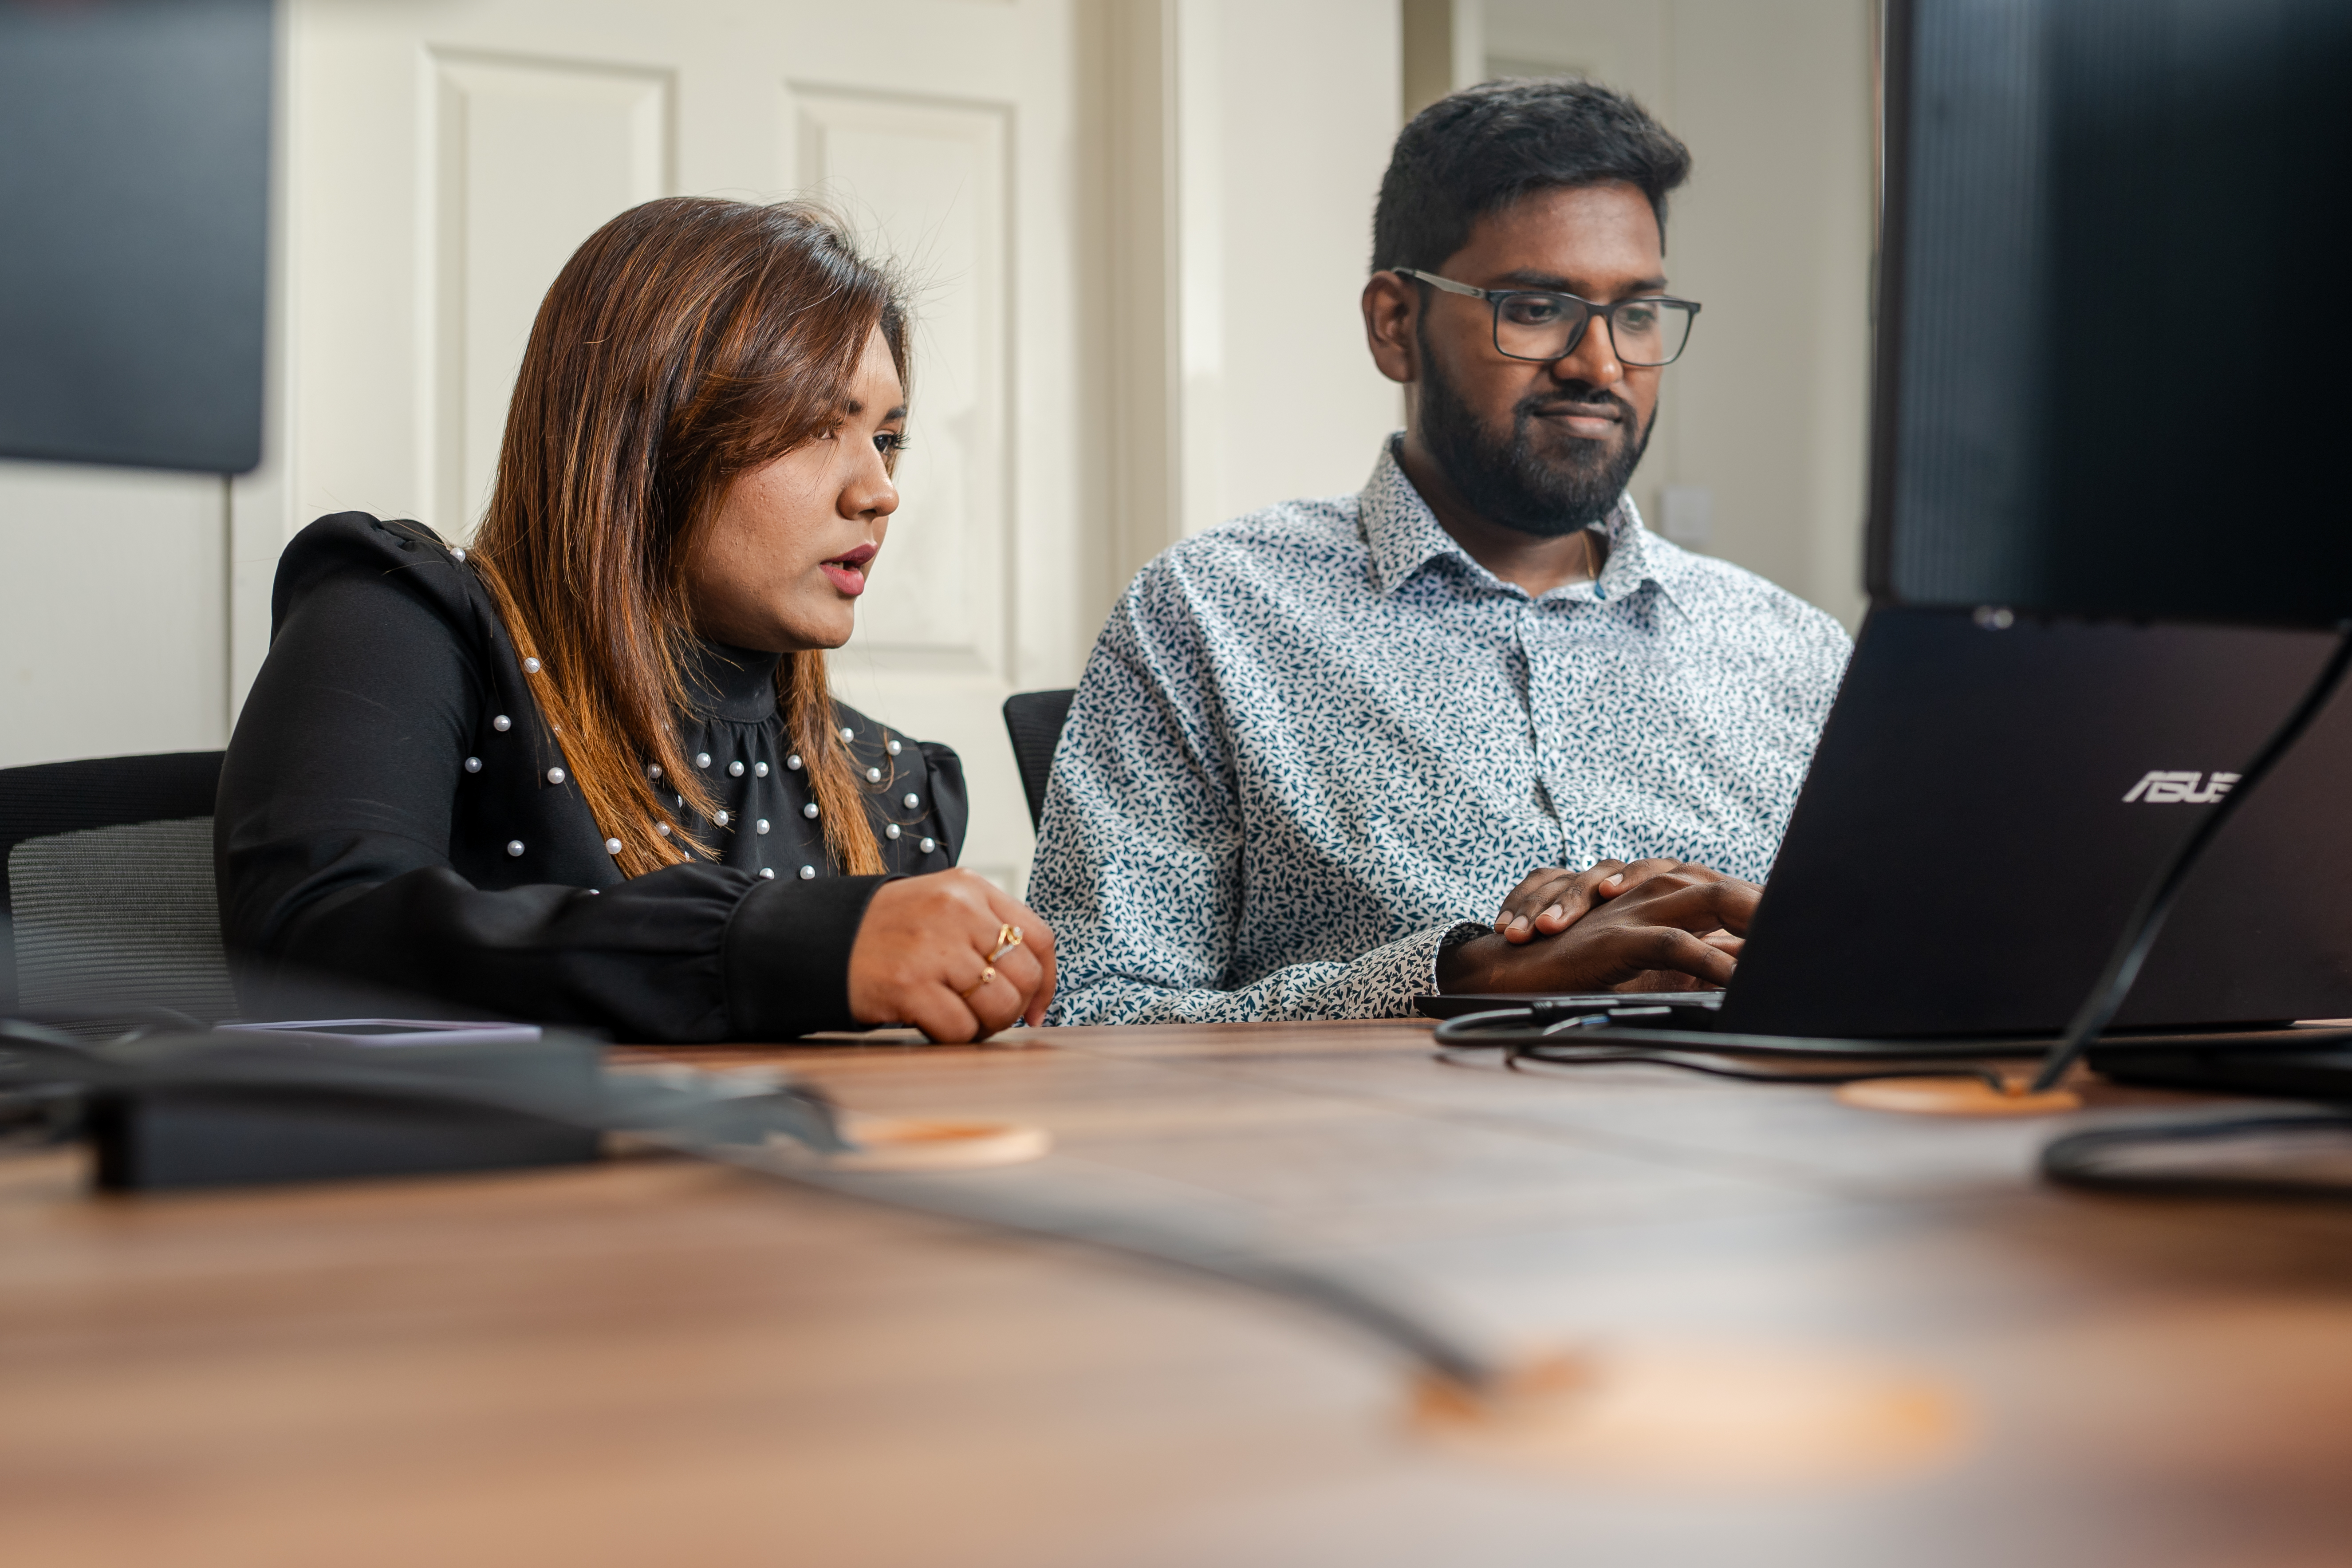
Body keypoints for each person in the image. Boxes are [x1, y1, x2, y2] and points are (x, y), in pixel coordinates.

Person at [1029, 79, 1851, 1025]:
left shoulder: (1795, 654)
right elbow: (1089, 1014)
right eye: (1537, 307)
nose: (1599, 365)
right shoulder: (1211, 614)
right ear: (1393, 325)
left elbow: (1917, 973)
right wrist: (1459, 979)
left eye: (1634, 313)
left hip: (1746, 1159)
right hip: (1377, 1164)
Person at [217, 198, 1053, 1044]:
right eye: (813, 428)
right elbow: (311, 942)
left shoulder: (891, 785)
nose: (878, 490)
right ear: (644, 433)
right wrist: (784, 943)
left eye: (888, 438)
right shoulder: (406, 622)